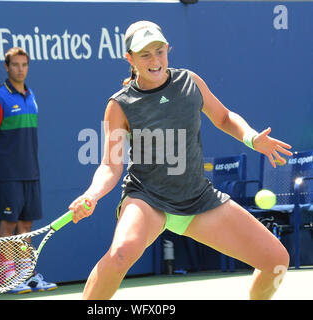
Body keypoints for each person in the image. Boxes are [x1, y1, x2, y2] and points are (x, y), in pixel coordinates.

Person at [68, 21, 293, 300]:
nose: (155, 60)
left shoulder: (190, 82)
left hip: (197, 199)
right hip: (147, 199)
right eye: (145, 54)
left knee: (277, 261)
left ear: (167, 50)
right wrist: (92, 194)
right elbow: (110, 165)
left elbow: (223, 117)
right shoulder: (119, 104)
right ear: (130, 58)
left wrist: (251, 137)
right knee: (120, 254)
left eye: (159, 51)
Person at [0, 47, 57, 294]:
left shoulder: (31, 95)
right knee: (8, 225)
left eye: (24, 64)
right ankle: (10, 278)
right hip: (8, 174)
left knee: (26, 226)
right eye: (15, 64)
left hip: (30, 173)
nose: (20, 69)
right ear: (7, 67)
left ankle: (28, 275)